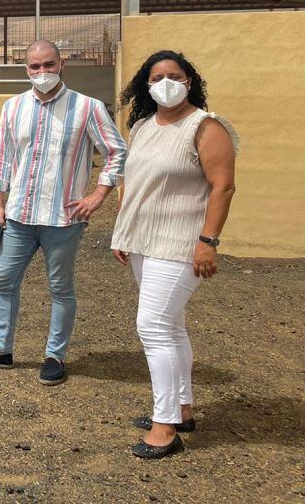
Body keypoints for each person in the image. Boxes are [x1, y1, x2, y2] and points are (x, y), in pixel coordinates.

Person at [0, 39, 127, 385]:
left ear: (61, 65)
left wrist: (98, 196)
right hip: (19, 216)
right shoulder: (13, 107)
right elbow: (2, 158)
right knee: (4, 279)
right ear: (27, 69)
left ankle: (54, 355)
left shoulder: (88, 108)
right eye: (35, 66)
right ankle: (0, 349)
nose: (42, 72)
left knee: (60, 287)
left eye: (49, 64)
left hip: (63, 219)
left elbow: (116, 152)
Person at [111, 51, 237, 459]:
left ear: (189, 81)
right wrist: (123, 231)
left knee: (153, 327)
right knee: (173, 327)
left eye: (175, 76)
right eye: (157, 77)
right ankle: (181, 409)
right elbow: (134, 181)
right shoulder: (143, 126)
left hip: (180, 243)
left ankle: (164, 427)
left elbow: (223, 187)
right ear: (146, 86)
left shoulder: (205, 126)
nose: (166, 83)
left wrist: (208, 241)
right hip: (144, 241)